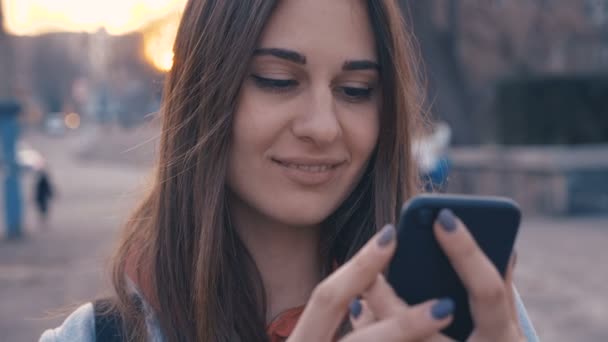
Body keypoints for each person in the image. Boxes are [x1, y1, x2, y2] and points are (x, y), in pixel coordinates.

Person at [40, 1, 538, 341]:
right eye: (278, 81)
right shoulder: (91, 336)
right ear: (203, 91)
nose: (323, 127)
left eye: (356, 89)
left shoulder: (475, 308)